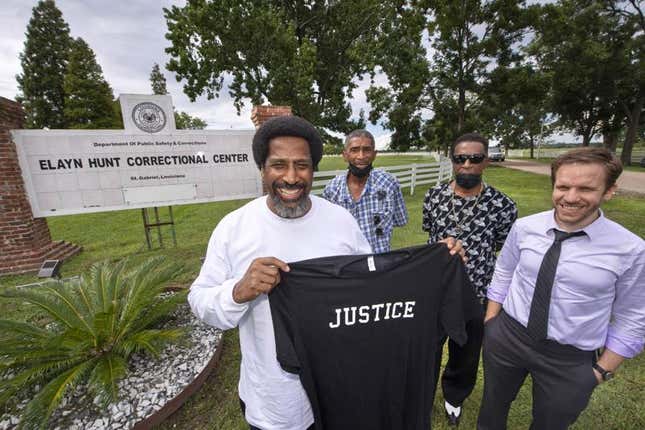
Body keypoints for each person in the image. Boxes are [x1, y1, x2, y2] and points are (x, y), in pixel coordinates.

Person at [188, 116, 464, 430]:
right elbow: (200, 301)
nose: (291, 177)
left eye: (301, 165)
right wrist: (238, 291)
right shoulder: (233, 228)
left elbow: (373, 288)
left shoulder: (340, 221)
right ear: (262, 168)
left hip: (343, 391)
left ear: (314, 169)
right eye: (279, 165)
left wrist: (436, 262)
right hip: (277, 403)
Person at [478, 147, 645, 430]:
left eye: (586, 188)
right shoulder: (524, 228)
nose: (570, 197)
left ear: (609, 191)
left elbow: (634, 315)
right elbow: (505, 270)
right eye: (563, 186)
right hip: (508, 335)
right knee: (492, 408)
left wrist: (602, 370)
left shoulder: (630, 250)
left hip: (569, 358)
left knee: (551, 423)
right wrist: (492, 321)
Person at [422, 132, 518, 426]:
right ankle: (422, 395)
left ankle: (454, 396)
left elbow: (502, 245)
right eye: (460, 158)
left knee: (466, 352)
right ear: (452, 160)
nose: (467, 164)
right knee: (427, 348)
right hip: (434, 290)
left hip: (477, 293)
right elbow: (429, 233)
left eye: (475, 158)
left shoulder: (503, 205)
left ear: (486, 161)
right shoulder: (434, 196)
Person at [322, 129, 408, 253]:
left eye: (367, 150)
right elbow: (328, 231)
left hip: (382, 265)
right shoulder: (332, 190)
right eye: (354, 150)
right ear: (345, 155)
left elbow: (400, 220)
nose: (361, 156)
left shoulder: (389, 183)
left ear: (374, 154)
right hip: (347, 266)